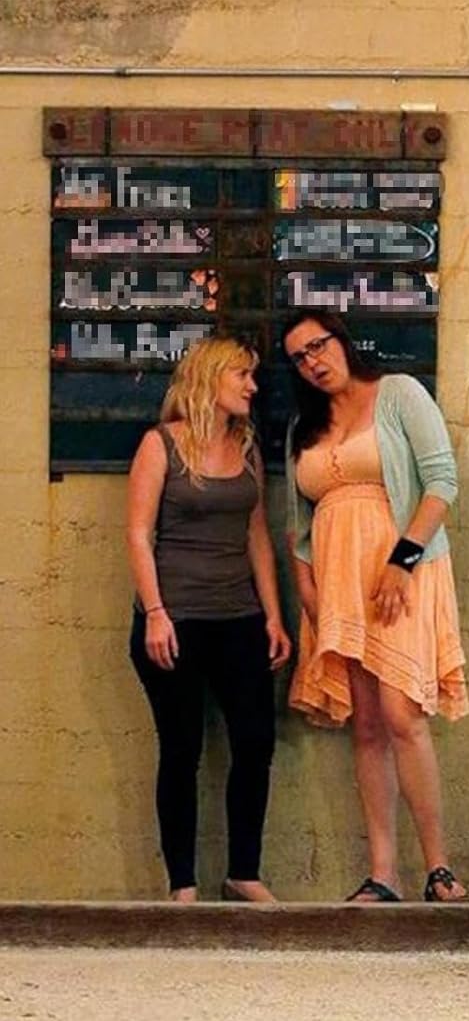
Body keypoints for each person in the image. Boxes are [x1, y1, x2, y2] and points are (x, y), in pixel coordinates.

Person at [282, 311, 469, 904]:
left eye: (319, 345)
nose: (313, 361)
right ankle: (383, 872)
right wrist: (307, 591)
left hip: (401, 574)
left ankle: (438, 867)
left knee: (401, 713)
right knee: (364, 724)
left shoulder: (399, 394)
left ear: (341, 341)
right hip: (337, 583)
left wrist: (402, 561)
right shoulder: (303, 428)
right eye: (299, 357)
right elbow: (297, 524)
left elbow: (441, 482)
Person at [124, 334, 291, 903]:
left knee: (255, 742)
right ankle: (183, 885)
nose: (253, 386)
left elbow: (256, 534)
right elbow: (139, 534)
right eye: (242, 375)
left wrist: (273, 616)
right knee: (181, 749)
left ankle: (243, 872)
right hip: (175, 620)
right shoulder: (160, 444)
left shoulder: (246, 445)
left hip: (238, 617)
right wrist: (155, 613)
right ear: (209, 379)